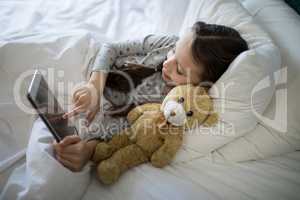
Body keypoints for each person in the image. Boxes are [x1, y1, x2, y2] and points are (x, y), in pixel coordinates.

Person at [53, 21, 249, 171]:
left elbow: (127, 129)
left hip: (100, 111)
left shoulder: (173, 104)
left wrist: (88, 148)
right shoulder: (169, 44)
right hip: (94, 69)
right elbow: (111, 48)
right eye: (174, 51)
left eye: (179, 70)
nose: (167, 63)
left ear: (197, 86)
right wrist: (94, 85)